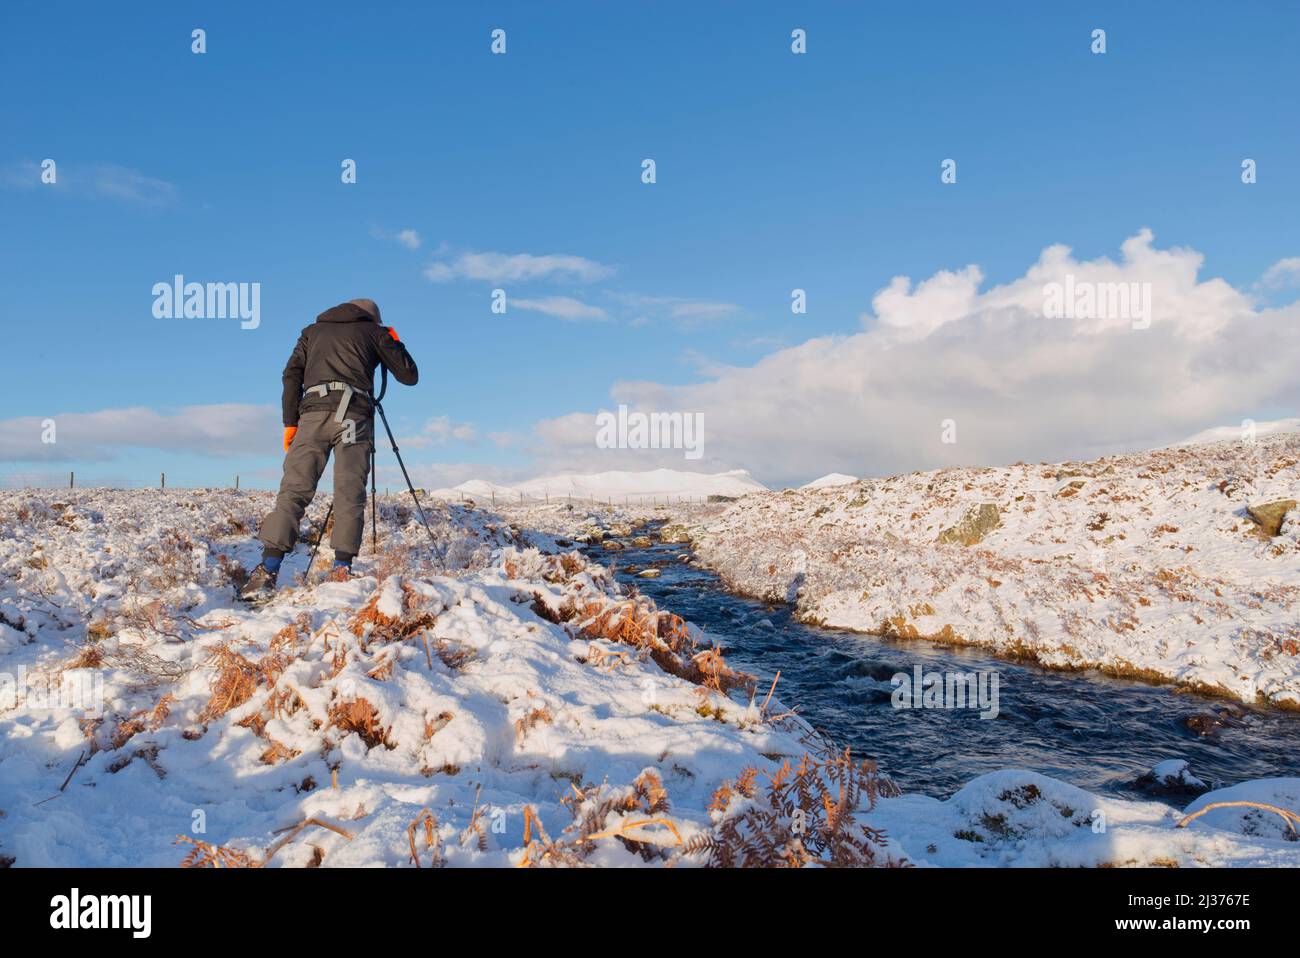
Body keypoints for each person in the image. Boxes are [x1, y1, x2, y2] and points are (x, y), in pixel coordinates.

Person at [240, 298, 418, 601]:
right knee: (349, 491)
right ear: (372, 318)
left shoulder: (311, 332)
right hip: (353, 418)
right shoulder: (375, 333)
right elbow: (409, 376)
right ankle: (341, 569)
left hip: (311, 416)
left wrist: (290, 422)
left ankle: (267, 570)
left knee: (294, 490)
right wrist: (394, 341)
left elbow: (291, 375)